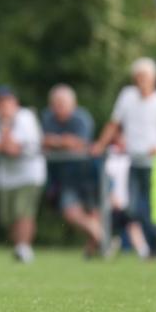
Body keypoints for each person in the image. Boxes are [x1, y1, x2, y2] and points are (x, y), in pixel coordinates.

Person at [91, 58, 156, 254]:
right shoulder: (127, 97)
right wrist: (101, 144)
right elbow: (114, 124)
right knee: (133, 209)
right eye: (137, 77)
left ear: (153, 78)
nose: (140, 81)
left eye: (144, 77)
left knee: (153, 209)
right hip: (134, 161)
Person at [0, 86, 47, 263]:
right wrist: (5, 138)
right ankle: (19, 247)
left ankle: (24, 249)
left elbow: (13, 150)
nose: (4, 106)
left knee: (23, 212)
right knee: (7, 217)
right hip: (5, 176)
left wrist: (6, 129)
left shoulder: (26, 117)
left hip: (30, 173)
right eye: (0, 102)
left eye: (8, 101)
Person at [40, 84, 102, 256]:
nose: (59, 107)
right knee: (70, 212)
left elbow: (79, 144)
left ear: (73, 104)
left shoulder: (82, 118)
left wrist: (57, 142)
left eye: (63, 103)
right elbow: (44, 142)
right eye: (56, 103)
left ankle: (95, 249)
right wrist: (65, 141)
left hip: (89, 174)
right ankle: (102, 238)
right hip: (64, 177)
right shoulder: (47, 118)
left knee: (94, 212)